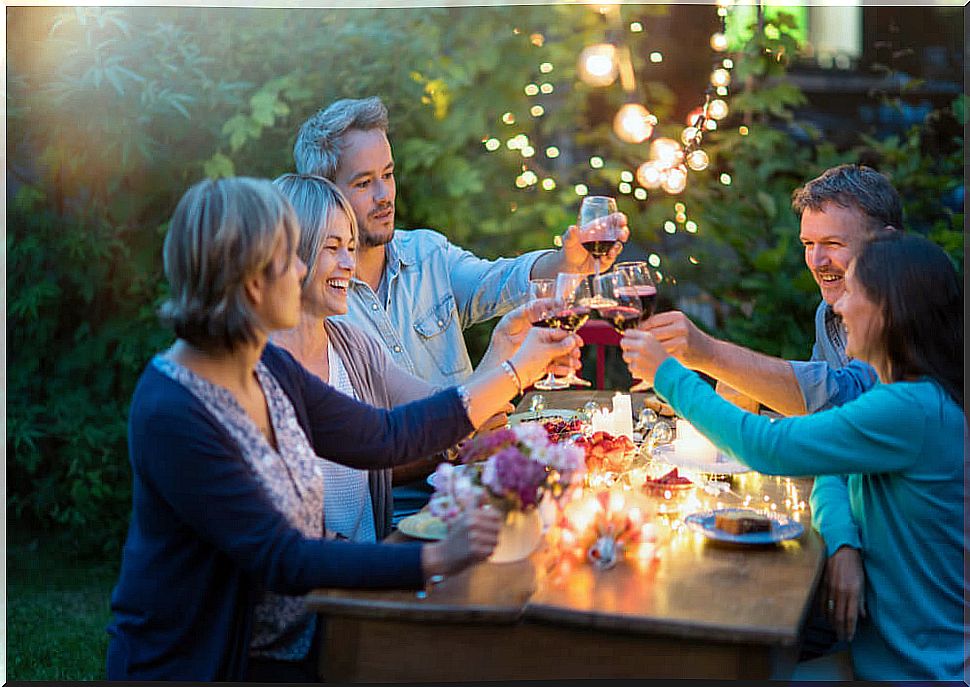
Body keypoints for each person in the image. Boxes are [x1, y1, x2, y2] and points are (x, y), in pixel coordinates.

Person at [105, 176, 582, 681]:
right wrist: (437, 557)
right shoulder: (173, 411)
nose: (302, 269)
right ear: (252, 283)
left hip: (302, 639)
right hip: (204, 664)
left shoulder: (264, 365)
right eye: (291, 257)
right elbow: (284, 557)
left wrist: (514, 368)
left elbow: (385, 436)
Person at [621, 232, 965, 681]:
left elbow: (769, 446)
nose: (838, 308)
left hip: (917, 673)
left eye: (853, 292)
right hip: (878, 654)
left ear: (886, 311)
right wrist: (843, 541)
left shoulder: (910, 410)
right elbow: (830, 466)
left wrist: (668, 374)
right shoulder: (904, 398)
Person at [293, 95, 630, 517]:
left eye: (389, 174)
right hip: (402, 518)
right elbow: (368, 454)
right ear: (325, 194)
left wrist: (567, 263)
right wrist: (492, 395)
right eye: (363, 183)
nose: (384, 196)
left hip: (479, 487)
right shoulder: (323, 312)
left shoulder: (428, 255)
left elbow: (499, 283)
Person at [639, 164, 901, 649]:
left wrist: (693, 360)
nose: (818, 260)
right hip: (859, 548)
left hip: (898, 603)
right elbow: (832, 440)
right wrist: (843, 540)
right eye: (808, 245)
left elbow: (834, 398)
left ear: (885, 244)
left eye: (834, 244)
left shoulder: (910, 364)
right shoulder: (834, 312)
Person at [270, 173, 568, 542]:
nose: (348, 263)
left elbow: (441, 412)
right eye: (332, 248)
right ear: (289, 256)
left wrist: (505, 346)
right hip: (333, 582)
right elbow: (391, 438)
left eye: (350, 246)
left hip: (371, 568)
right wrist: (516, 370)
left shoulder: (352, 346)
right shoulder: (264, 373)